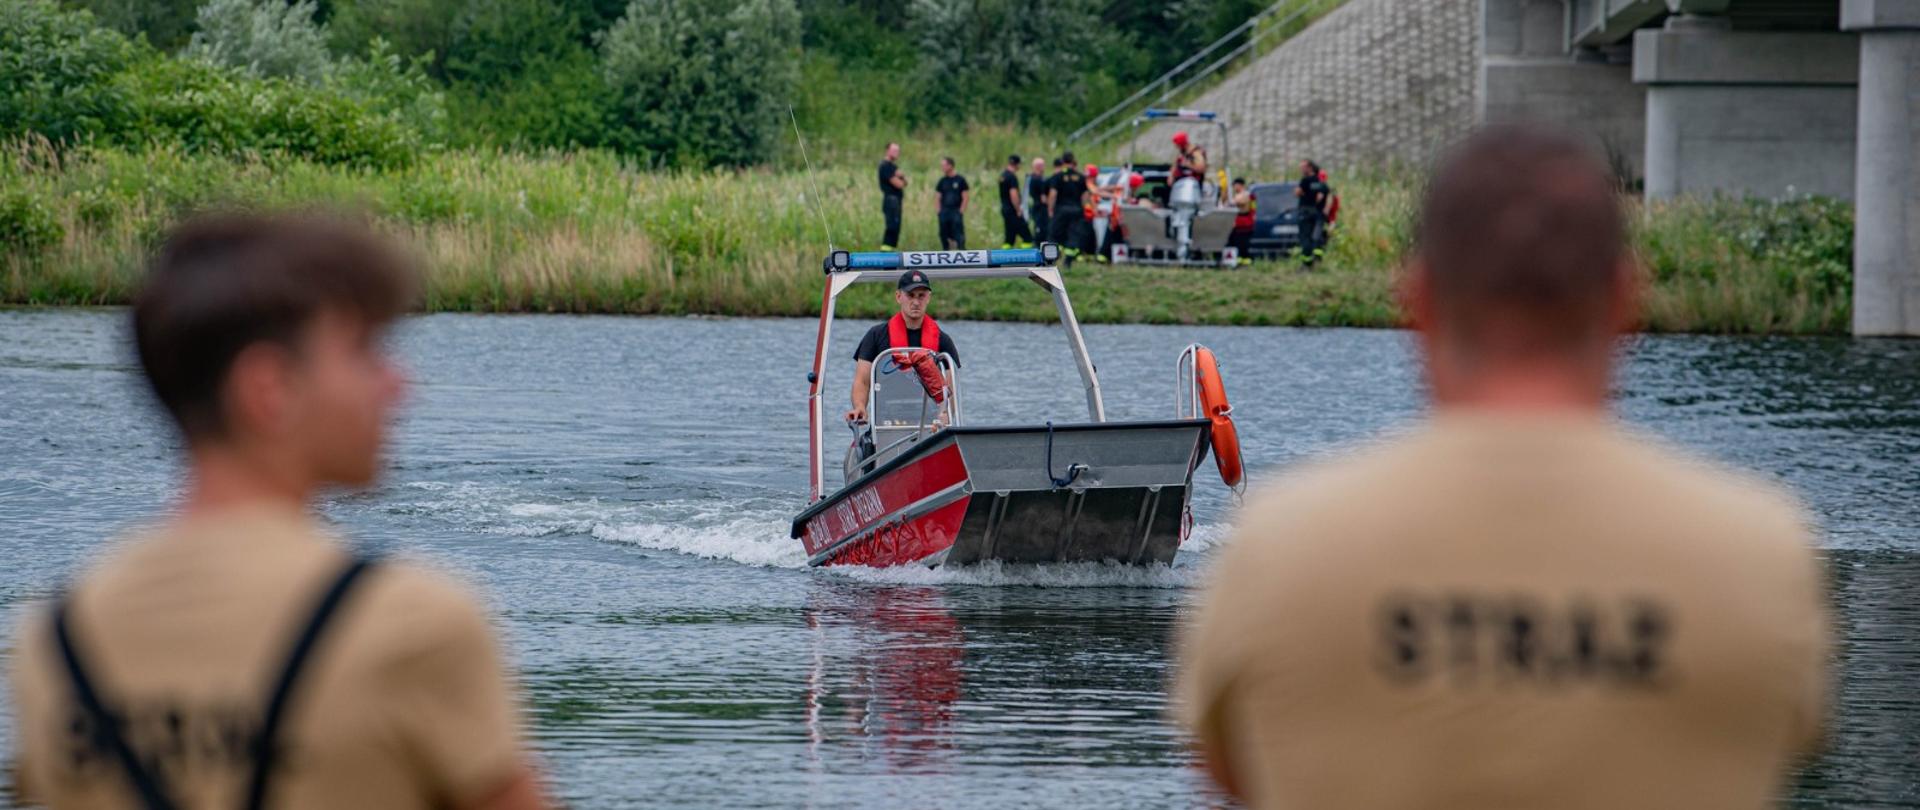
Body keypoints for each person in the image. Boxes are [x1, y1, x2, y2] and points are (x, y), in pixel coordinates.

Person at [1176, 125, 1830, 810]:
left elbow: (1227, 772)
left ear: (1418, 302)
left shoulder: (1281, 544)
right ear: (1624, 303)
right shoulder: (1758, 549)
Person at [8, 212, 552, 810]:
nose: (398, 385)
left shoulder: (51, 643)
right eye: (365, 353)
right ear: (268, 389)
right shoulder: (414, 623)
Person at [847, 269, 961, 424]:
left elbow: (951, 388)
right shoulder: (875, 336)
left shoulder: (943, 340)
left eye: (921, 296)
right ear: (898, 296)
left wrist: (946, 414)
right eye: (910, 295)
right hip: (886, 421)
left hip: (930, 423)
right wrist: (860, 407)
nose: (916, 302)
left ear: (928, 298)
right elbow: (862, 381)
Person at [1047, 152, 1088, 262]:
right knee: (1073, 234)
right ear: (1073, 160)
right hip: (1076, 210)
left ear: (1062, 161)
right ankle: (1068, 260)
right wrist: (1083, 208)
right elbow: (1085, 195)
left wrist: (1050, 209)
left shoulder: (1058, 176)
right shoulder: (1080, 177)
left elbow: (1053, 194)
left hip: (1061, 210)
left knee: (1055, 233)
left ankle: (1052, 258)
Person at [1295, 158, 1330, 266]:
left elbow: (1297, 193)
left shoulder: (1305, 180)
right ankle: (1316, 261)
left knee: (1305, 238)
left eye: (1303, 167)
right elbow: (1321, 198)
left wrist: (1303, 194)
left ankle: (1306, 264)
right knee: (1314, 238)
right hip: (1316, 213)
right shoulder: (1320, 183)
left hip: (1305, 212)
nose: (1301, 169)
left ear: (1310, 168)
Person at [997, 155, 1035, 249]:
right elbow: (1013, 194)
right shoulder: (1012, 177)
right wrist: (1018, 209)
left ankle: (1005, 255)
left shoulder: (1003, 176)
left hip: (1005, 209)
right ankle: (1026, 256)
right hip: (1012, 210)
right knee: (1027, 237)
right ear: (1016, 164)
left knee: (1009, 238)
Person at [933, 157, 969, 251]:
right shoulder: (942, 181)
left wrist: (961, 211)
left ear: (950, 166)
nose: (942, 167)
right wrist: (939, 212)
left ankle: (961, 251)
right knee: (943, 233)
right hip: (944, 211)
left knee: (958, 233)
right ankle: (946, 251)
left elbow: (965, 197)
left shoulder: (960, 180)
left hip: (956, 211)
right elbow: (937, 197)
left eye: (944, 165)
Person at [878, 142, 907, 250]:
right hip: (891, 200)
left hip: (896, 201)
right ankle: (886, 252)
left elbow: (905, 182)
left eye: (898, 151)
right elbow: (899, 184)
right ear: (887, 151)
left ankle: (891, 250)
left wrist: (902, 177)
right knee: (891, 226)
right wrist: (901, 178)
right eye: (894, 150)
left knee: (896, 226)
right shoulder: (885, 166)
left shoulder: (893, 166)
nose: (897, 153)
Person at [1229, 177, 1255, 266]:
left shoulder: (1245, 194)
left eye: (1235, 185)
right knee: (1237, 244)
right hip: (1239, 225)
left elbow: (1238, 202)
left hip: (1244, 224)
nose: (1234, 188)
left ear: (1240, 185)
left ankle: (1245, 262)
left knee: (1243, 245)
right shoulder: (1240, 194)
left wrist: (1231, 201)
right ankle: (1239, 261)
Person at [1026, 157, 1051, 246]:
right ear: (1038, 166)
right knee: (1041, 229)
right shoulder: (1038, 180)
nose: (1044, 167)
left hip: (1036, 206)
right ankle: (1037, 247)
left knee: (1040, 228)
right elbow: (1043, 198)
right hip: (1040, 208)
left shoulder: (1031, 178)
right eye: (1043, 165)